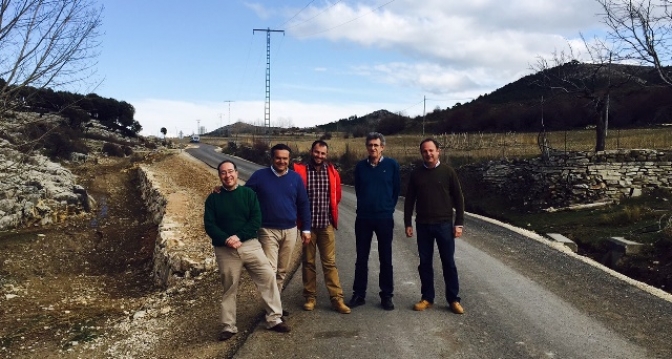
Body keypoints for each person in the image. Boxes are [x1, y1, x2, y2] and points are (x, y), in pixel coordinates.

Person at [204, 160, 290, 342]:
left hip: (250, 245)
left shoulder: (248, 194)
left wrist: (239, 236)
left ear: (236, 172)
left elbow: (255, 219)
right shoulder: (213, 198)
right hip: (224, 249)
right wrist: (227, 239)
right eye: (223, 173)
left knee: (268, 277)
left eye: (231, 172)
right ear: (219, 176)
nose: (228, 176)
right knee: (229, 287)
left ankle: (274, 318)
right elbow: (210, 225)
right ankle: (228, 326)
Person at [404, 138, 466, 314]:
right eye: (424, 151)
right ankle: (427, 298)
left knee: (448, 263)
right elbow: (409, 200)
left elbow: (459, 199)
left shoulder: (448, 172)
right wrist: (408, 222)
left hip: (444, 225)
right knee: (424, 263)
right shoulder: (416, 174)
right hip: (423, 225)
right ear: (421, 153)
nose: (428, 154)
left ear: (438, 151)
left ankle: (453, 300)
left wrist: (459, 223)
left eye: (431, 150)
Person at [246, 143, 312, 302]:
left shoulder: (295, 178)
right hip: (267, 230)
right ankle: (273, 311)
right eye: (278, 158)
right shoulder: (259, 176)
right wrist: (223, 190)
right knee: (270, 270)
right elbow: (244, 196)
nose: (281, 161)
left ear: (289, 160)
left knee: (282, 271)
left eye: (285, 158)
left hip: (290, 230)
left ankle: (275, 305)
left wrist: (306, 228)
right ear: (272, 158)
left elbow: (303, 203)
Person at [293, 140, 351, 314]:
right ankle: (310, 297)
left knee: (329, 263)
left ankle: (336, 299)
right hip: (307, 227)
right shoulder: (299, 171)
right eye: (317, 152)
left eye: (323, 153)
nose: (319, 156)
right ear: (312, 151)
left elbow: (337, 196)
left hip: (325, 225)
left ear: (326, 155)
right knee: (308, 262)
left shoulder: (332, 172)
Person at [349, 132, 400, 311]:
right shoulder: (360, 167)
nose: (373, 148)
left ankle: (386, 295)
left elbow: (396, 190)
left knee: (385, 257)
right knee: (361, 257)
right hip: (363, 218)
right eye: (370, 145)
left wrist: (387, 207)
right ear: (367, 147)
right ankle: (359, 294)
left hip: (384, 218)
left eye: (376, 145)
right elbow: (359, 189)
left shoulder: (392, 165)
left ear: (382, 147)